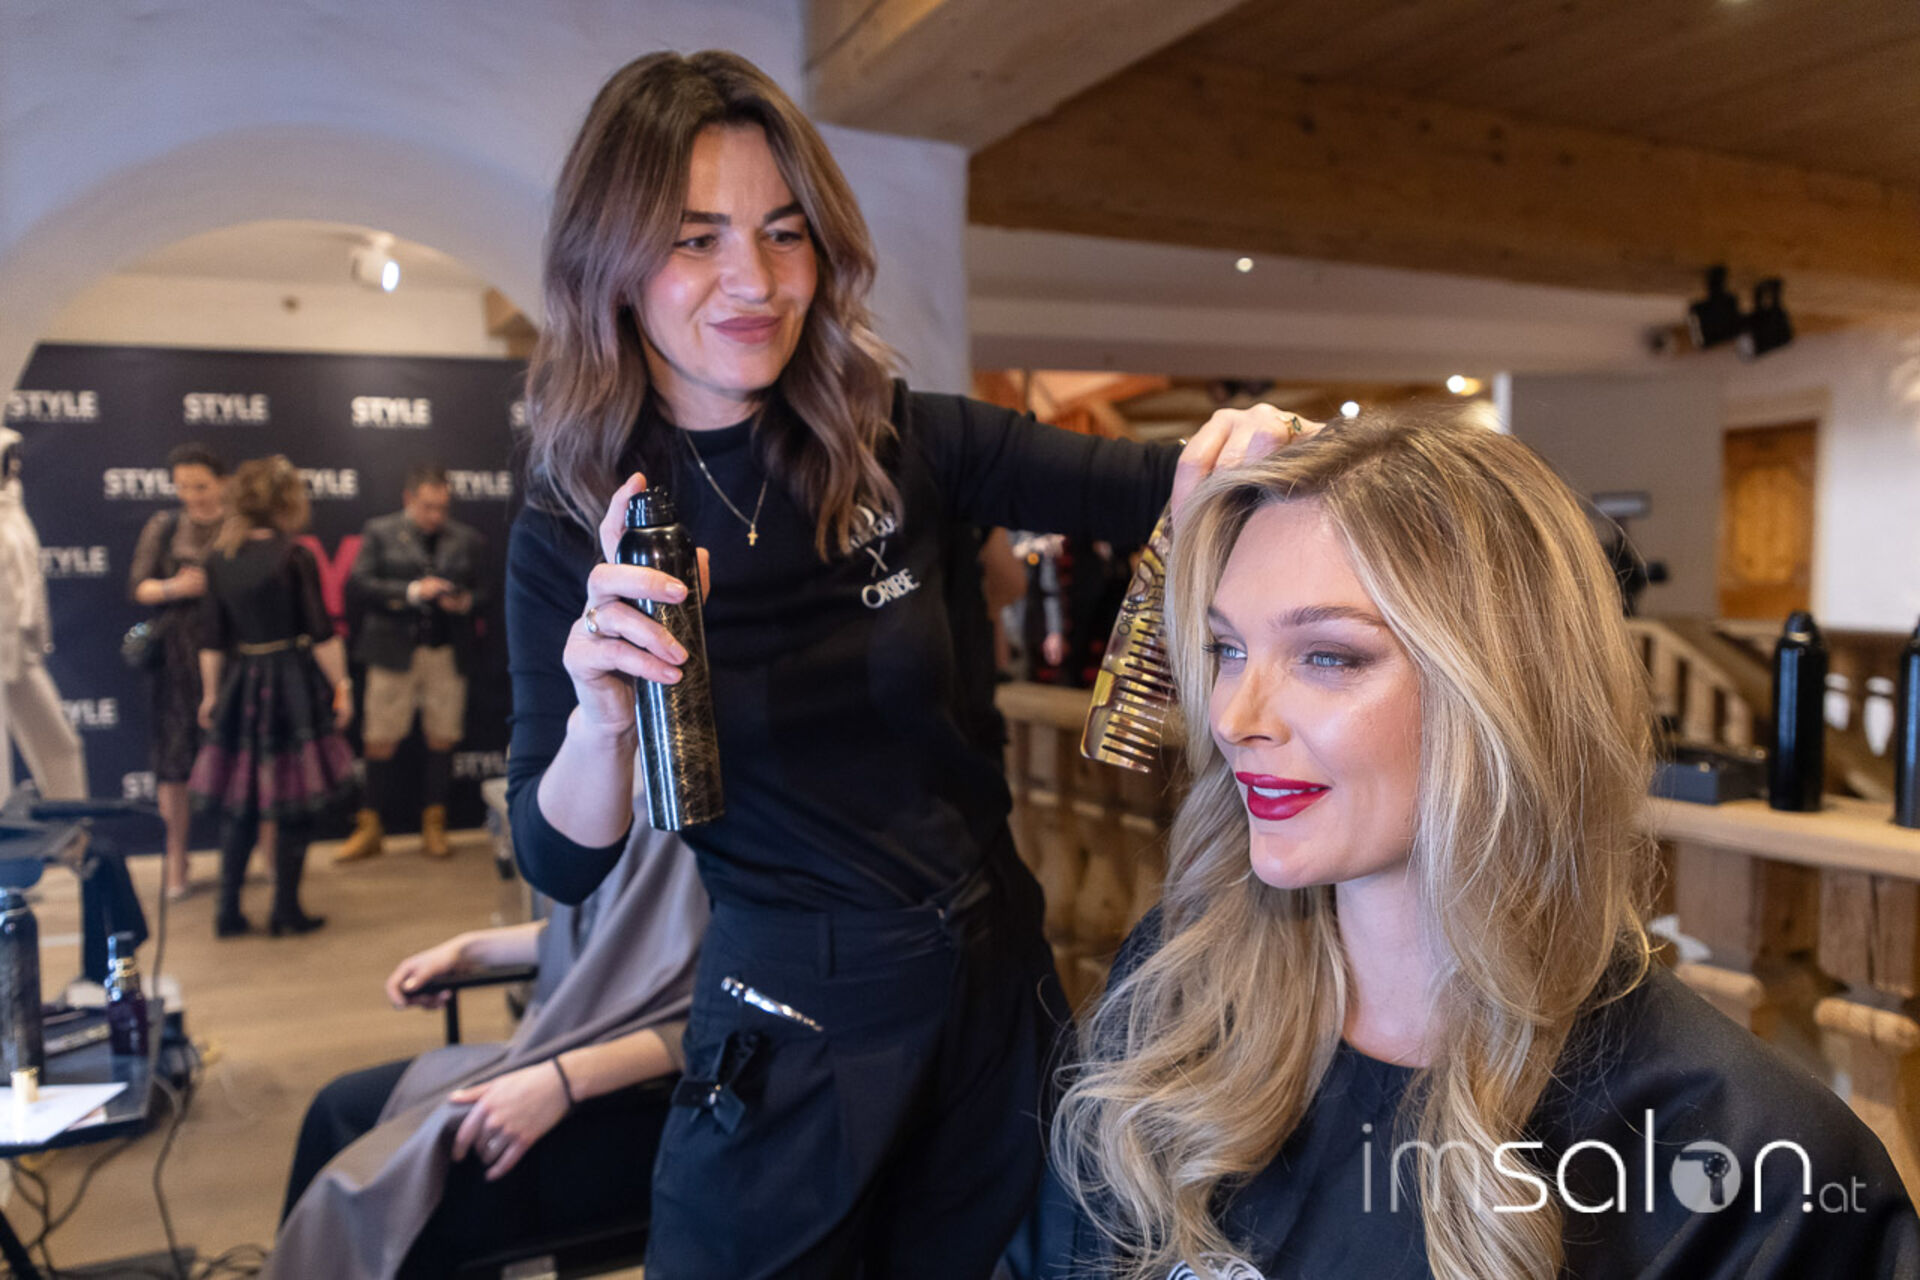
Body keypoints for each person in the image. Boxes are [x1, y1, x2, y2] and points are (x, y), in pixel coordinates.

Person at [505, 50, 1291, 1278]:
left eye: (784, 232)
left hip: (994, 992)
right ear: (608, 259)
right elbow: (558, 857)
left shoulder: (905, 446)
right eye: (697, 239)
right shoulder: (573, 525)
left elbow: (1168, 485)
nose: (756, 280)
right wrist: (600, 720)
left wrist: (1260, 449)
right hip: (795, 1019)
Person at [1032, 411, 1920, 1279]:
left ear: (1505, 687)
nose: (1234, 716)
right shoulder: (1176, 997)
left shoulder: (1750, 1170)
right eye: (1227, 649)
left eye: (1328, 656)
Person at [271, 823, 704, 1280]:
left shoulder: (713, 817)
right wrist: (471, 948)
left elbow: (720, 1023)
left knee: (411, 1196)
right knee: (336, 1112)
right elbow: (604, 931)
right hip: (559, 1051)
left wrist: (563, 1080)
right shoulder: (627, 796)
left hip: (641, 1102)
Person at [189, 456, 354, 938]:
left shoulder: (219, 558)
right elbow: (321, 632)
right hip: (291, 685)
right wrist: (342, 687)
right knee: (295, 802)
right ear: (286, 501)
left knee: (240, 806)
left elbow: (212, 638)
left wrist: (210, 695)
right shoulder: (293, 556)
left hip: (242, 684)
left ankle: (227, 912)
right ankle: (285, 910)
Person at [337, 462, 488, 862]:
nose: (436, 516)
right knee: (380, 737)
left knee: (443, 736)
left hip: (446, 653)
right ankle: (369, 827)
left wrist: (464, 602)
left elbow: (486, 591)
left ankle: (434, 825)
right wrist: (413, 591)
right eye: (427, 507)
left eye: (442, 507)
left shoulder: (465, 538)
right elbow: (359, 584)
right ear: (409, 499)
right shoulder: (380, 531)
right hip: (392, 650)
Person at [129, 442, 228, 899]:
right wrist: (176, 587)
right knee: (173, 763)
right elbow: (139, 587)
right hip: (174, 658)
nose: (192, 496)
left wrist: (219, 586)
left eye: (201, 486)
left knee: (241, 756)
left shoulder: (239, 525)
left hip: (231, 652)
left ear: (222, 483)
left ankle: (255, 853)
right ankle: (176, 857)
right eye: (183, 487)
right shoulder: (164, 526)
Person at [0, 427, 87, 803]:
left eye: (15, 458)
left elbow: (28, 579)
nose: (14, 466)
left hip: (20, 648)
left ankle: (73, 830)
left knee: (60, 744)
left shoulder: (13, 508)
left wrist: (35, 631)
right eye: (6, 458)